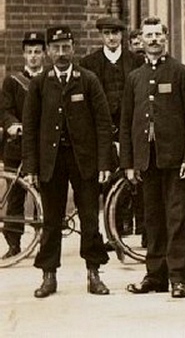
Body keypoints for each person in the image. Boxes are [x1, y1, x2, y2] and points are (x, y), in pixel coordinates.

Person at [21, 26, 114, 297]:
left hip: (84, 160)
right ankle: (48, 276)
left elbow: (103, 124)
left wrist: (104, 163)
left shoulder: (88, 80)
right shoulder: (40, 84)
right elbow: (30, 128)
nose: (61, 53)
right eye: (56, 48)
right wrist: (31, 167)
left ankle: (94, 274)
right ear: (49, 51)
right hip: (51, 162)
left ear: (73, 48)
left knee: (89, 219)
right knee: (51, 220)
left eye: (65, 48)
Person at [120, 17, 185, 298]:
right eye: (148, 35)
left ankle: (179, 279)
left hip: (177, 161)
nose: (153, 39)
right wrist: (129, 163)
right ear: (141, 40)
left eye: (158, 34)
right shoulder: (135, 77)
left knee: (177, 219)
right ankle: (155, 276)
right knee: (152, 219)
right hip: (147, 160)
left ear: (166, 38)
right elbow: (127, 122)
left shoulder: (182, 73)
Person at [79, 16, 144, 249]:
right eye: (107, 34)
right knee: (106, 180)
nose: (111, 38)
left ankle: (143, 231)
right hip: (101, 133)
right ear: (101, 36)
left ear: (121, 35)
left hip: (130, 130)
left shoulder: (136, 61)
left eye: (115, 33)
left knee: (137, 178)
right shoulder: (89, 63)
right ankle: (111, 235)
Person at [0, 31, 46, 259]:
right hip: (17, 146)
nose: (33, 56)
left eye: (37, 52)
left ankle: (44, 243)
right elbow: (5, 109)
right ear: (24, 55)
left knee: (44, 194)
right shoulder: (12, 81)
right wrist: (12, 124)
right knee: (15, 195)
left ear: (44, 54)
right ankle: (13, 243)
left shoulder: (49, 79)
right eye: (29, 52)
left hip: (42, 147)